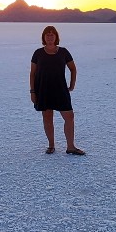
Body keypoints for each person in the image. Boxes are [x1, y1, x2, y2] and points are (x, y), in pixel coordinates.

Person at [30, 25, 84, 155]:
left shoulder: (63, 52)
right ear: (43, 37)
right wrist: (32, 91)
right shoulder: (38, 53)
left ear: (56, 37)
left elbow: (73, 68)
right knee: (47, 117)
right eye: (47, 34)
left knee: (69, 116)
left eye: (52, 34)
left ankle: (70, 146)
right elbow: (32, 73)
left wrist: (72, 85)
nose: (49, 36)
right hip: (43, 90)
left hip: (60, 89)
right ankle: (51, 145)